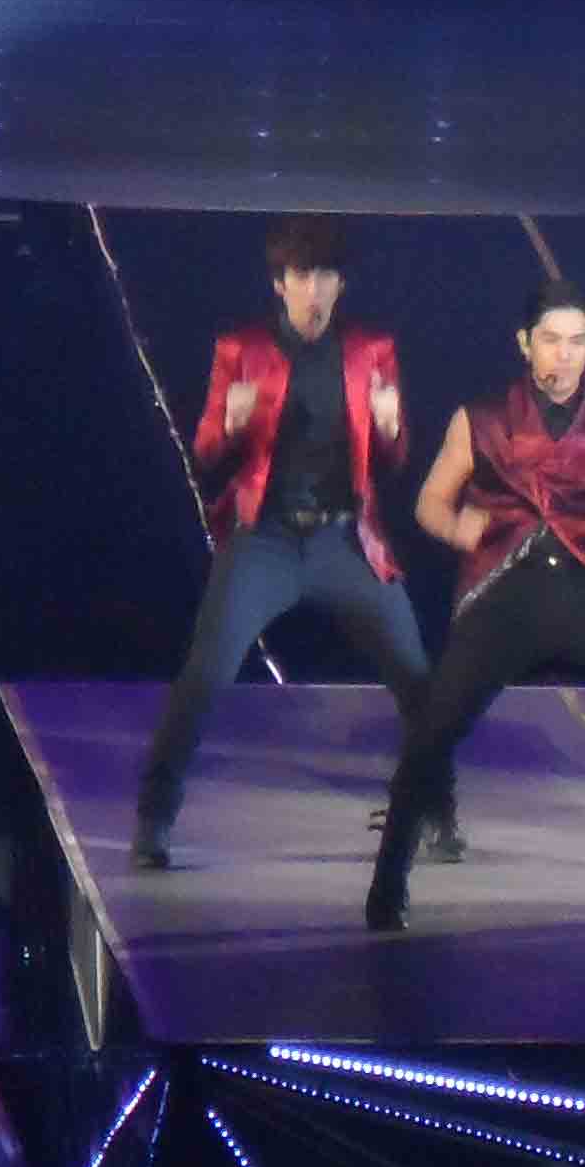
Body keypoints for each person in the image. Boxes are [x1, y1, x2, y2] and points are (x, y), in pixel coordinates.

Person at [363, 281, 585, 935]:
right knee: (433, 727)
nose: (564, 355)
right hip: (508, 589)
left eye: (577, 341)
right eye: (551, 340)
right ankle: (388, 883)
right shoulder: (481, 418)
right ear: (525, 343)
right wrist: (459, 529)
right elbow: (430, 502)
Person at [133, 216, 451, 872]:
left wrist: (392, 428)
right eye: (303, 276)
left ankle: (437, 811)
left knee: (416, 676)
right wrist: (230, 422)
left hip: (345, 541)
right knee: (205, 673)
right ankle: (154, 819)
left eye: (326, 276)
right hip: (266, 539)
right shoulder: (241, 348)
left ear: (341, 285)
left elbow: (394, 459)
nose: (315, 290)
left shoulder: (370, 349)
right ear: (280, 284)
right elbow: (205, 452)